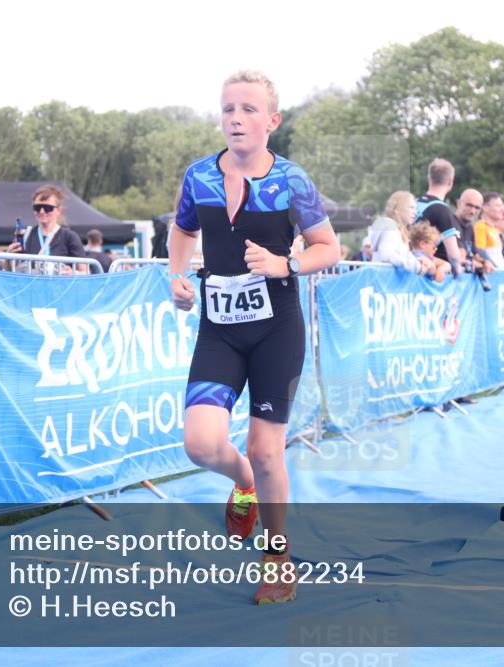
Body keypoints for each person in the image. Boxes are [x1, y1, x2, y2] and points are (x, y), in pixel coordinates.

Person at [168, 70, 339, 606]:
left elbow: (327, 248)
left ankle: (277, 559)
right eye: (227, 109)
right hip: (219, 330)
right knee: (200, 444)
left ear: (272, 121)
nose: (235, 118)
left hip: (276, 329)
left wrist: (284, 262)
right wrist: (177, 275)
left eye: (247, 109)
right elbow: (182, 230)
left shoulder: (291, 180)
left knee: (267, 450)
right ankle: (241, 482)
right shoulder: (198, 177)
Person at [8, 184, 86, 273]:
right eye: (37, 207)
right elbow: (11, 270)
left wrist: (72, 273)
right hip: (33, 286)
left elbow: (86, 272)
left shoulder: (69, 237)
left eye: (47, 208)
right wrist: (8, 257)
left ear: (58, 210)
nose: (42, 211)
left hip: (60, 286)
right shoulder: (25, 236)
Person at [367, 191, 434, 277]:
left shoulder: (396, 229)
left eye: (415, 208)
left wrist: (418, 261)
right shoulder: (390, 227)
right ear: (397, 209)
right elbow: (387, 255)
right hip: (383, 281)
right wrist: (418, 268)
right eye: (411, 207)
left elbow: (401, 255)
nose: (415, 212)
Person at [415, 159, 464, 277]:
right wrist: (458, 266)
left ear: (429, 178)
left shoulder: (413, 203)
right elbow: (453, 255)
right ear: (450, 182)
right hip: (429, 275)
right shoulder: (442, 210)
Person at [473, 192, 504, 271]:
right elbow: (480, 252)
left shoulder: (495, 231)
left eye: (502, 206)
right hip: (491, 275)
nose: (502, 209)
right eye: (498, 206)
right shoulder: (480, 226)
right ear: (485, 208)